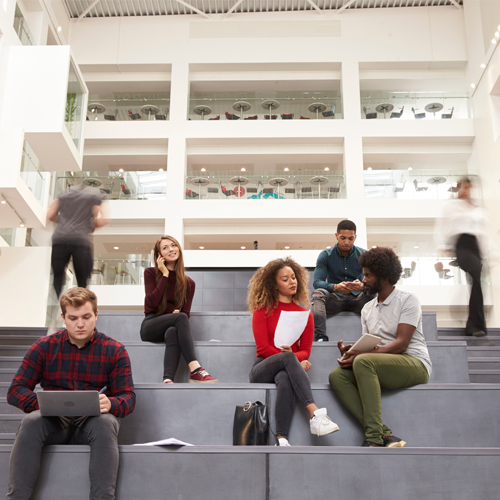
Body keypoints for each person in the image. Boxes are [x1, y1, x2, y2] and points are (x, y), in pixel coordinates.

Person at [6, 288, 136, 500]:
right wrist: (44, 404)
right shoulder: (44, 347)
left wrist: (111, 404)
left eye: (86, 317)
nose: (80, 324)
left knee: (106, 423)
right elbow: (15, 391)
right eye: (73, 318)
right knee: (31, 422)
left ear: (96, 315)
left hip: (93, 424)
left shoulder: (115, 350)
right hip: (52, 423)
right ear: (63, 318)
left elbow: (128, 398)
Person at [329, 247, 431, 448]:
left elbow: (402, 344)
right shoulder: (367, 308)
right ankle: (385, 435)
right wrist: (352, 354)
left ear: (384, 277)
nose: (363, 280)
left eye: (368, 275)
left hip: (414, 363)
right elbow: (371, 346)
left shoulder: (408, 300)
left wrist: (361, 355)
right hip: (381, 364)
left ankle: (374, 438)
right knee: (337, 376)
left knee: (364, 360)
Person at [248, 257, 340, 446]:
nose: (292, 282)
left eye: (293, 277)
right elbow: (263, 348)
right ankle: (314, 413)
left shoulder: (306, 315)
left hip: (287, 369)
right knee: (287, 360)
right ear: (274, 285)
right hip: (261, 368)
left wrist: (291, 360)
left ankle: (281, 438)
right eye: (285, 279)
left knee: (284, 377)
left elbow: (306, 351)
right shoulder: (262, 311)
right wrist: (290, 358)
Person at [140, 235, 218, 383]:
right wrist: (165, 275)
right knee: (179, 317)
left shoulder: (189, 283)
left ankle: (167, 379)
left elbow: (186, 313)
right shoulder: (150, 273)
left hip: (171, 325)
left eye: (173, 245)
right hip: (150, 325)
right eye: (165, 247)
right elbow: (151, 304)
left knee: (173, 330)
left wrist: (175, 316)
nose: (171, 249)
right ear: (159, 255)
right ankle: (195, 369)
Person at [436, 178, 488, 337]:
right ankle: (474, 325)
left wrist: (487, 254)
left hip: (475, 247)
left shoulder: (478, 209)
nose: (467, 191)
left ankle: (475, 326)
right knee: (474, 272)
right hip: (462, 245)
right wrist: (441, 247)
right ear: (459, 188)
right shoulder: (450, 206)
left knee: (477, 280)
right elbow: (441, 227)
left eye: (469, 188)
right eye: (464, 187)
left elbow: (483, 233)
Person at [311, 219, 375, 342]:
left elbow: (374, 282)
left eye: (350, 239)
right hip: (335, 299)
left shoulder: (364, 255)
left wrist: (362, 286)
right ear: (336, 236)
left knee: (375, 294)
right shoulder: (325, 255)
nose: (346, 242)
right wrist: (335, 287)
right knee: (318, 293)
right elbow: (317, 282)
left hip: (359, 300)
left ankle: (375, 337)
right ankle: (320, 337)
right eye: (342, 238)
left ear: (355, 237)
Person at [47, 185, 110, 298]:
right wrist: (89, 225)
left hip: (60, 239)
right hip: (81, 241)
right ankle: (81, 308)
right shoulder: (94, 197)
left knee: (57, 277)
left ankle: (58, 306)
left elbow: (50, 215)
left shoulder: (62, 196)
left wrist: (63, 223)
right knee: (82, 282)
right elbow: (104, 219)